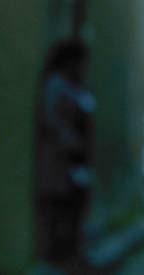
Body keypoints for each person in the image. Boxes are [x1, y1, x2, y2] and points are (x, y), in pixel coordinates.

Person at [35, 38, 96, 269]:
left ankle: (72, 254)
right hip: (60, 162)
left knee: (75, 207)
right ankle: (59, 256)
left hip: (75, 161)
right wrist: (72, 142)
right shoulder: (57, 86)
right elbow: (51, 119)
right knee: (61, 210)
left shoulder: (76, 88)